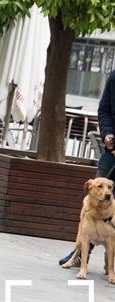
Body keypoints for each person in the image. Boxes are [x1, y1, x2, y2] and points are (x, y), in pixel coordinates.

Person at [59, 71, 115, 267]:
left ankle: (110, 264)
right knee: (93, 202)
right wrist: (107, 134)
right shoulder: (114, 76)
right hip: (111, 152)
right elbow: (105, 109)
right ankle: (81, 253)